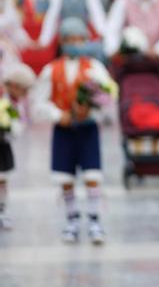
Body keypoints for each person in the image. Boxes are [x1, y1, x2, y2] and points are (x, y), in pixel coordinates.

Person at [32, 18, 118, 245]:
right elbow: (38, 103)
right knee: (65, 177)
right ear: (62, 42)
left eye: (78, 39)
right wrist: (59, 115)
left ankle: (95, 220)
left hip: (87, 129)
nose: (74, 44)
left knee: (92, 176)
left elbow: (108, 96)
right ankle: (71, 220)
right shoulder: (51, 70)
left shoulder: (94, 68)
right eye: (69, 40)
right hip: (64, 130)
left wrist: (91, 110)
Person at [0, 62, 36, 230]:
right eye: (24, 89)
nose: (25, 94)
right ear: (14, 85)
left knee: (2, 179)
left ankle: (1, 211)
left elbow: (21, 122)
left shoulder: (15, 103)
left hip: (3, 145)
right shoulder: (4, 99)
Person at [38, 0, 107, 52]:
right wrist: (44, 40)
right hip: (65, 39)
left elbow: (97, 16)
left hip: (82, 38)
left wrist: (104, 34)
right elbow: (51, 18)